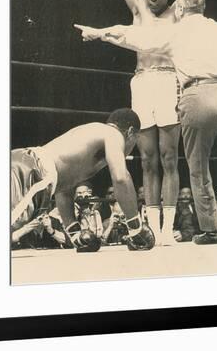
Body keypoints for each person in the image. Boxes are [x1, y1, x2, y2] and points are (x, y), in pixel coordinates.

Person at [74, 0, 217, 244]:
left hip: (197, 94)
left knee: (198, 168)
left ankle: (211, 230)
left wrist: (100, 34)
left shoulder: (175, 31)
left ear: (181, 8)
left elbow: (133, 36)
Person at [113, 0, 217, 245]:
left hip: (168, 82)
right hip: (141, 83)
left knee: (168, 157)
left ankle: (166, 230)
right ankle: (151, 228)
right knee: (147, 159)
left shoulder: (180, 9)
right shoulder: (138, 8)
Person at [10, 108, 155, 252]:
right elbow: (121, 178)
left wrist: (75, 233)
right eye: (135, 142)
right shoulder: (113, 135)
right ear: (130, 132)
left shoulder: (91, 137)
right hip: (33, 172)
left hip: (27, 164)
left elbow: (63, 190)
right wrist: (136, 227)